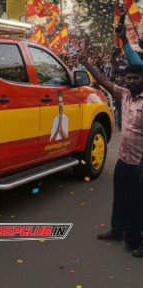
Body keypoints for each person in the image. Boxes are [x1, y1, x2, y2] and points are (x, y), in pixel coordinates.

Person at [79, 52, 143, 256]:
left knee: (136, 204)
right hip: (123, 159)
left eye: (136, 78)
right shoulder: (124, 94)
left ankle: (135, 241)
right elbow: (103, 80)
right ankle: (117, 230)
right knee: (119, 199)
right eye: (129, 78)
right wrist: (87, 64)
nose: (131, 81)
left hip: (138, 164)